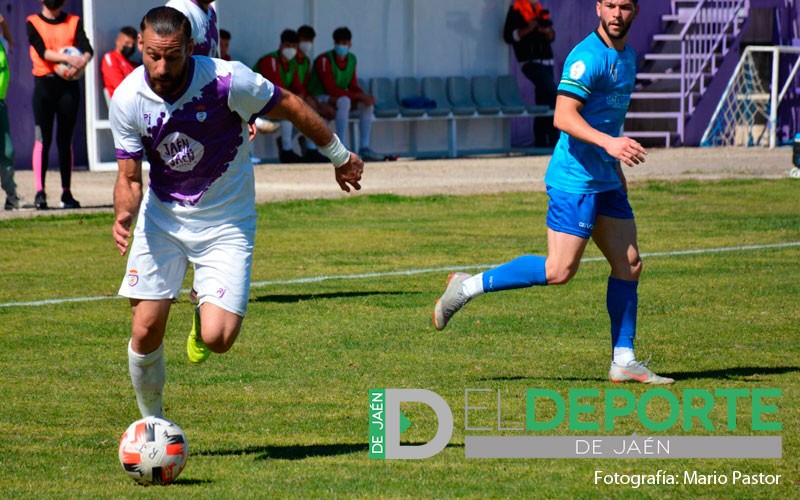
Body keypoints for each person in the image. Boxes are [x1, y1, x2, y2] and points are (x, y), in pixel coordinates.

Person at [110, 6, 364, 418]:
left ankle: (203, 311)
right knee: (145, 328)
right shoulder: (127, 99)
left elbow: (292, 105)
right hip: (164, 221)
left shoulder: (228, 80)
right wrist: (124, 213)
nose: (160, 66)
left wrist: (339, 155)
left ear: (191, 48)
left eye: (172, 56)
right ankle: (152, 425)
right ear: (140, 45)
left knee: (218, 338)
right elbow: (130, 176)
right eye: (152, 55)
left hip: (226, 223)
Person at [434, 0, 673, 385]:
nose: (616, 14)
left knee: (629, 264)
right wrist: (610, 146)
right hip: (574, 180)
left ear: (636, 10)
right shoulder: (586, 57)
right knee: (559, 271)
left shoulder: (627, 57)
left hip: (606, 179)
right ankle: (467, 285)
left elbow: (608, 119)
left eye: (624, 6)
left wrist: (613, 165)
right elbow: (563, 116)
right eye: (609, 5)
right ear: (598, 7)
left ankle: (624, 360)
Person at [27, 0, 93, 210]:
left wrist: (81, 61)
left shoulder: (74, 21)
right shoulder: (33, 22)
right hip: (44, 86)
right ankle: (40, 192)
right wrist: (68, 58)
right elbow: (43, 52)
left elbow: (87, 48)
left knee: (65, 141)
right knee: (42, 139)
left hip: (68, 87)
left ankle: (66, 193)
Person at [308, 27, 383, 161]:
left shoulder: (352, 59)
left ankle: (364, 147)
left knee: (366, 105)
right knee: (345, 101)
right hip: (320, 96)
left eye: (344, 43)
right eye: (338, 42)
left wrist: (365, 97)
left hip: (339, 96)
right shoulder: (324, 60)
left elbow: (353, 85)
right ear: (334, 43)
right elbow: (330, 88)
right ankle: (340, 147)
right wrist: (359, 96)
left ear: (350, 44)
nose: (340, 46)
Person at [254, 29, 328, 164]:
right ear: (281, 45)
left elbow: (298, 86)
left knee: (307, 109)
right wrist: (297, 99)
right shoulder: (270, 60)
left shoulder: (292, 63)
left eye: (294, 46)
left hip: (274, 102)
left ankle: (311, 150)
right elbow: (277, 87)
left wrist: (303, 98)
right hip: (258, 103)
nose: (291, 50)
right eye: (288, 46)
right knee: (288, 110)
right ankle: (286, 151)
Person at [503, 0, 558, 148]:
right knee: (553, 95)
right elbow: (508, 36)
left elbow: (552, 35)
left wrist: (547, 33)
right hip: (530, 61)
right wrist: (529, 28)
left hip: (547, 62)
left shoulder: (539, 9)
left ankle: (541, 141)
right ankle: (556, 139)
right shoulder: (515, 9)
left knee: (543, 99)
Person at [0, 13, 28, 210]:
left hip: (1, 104)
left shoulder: (1, 43)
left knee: (7, 151)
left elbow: (8, 37)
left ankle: (11, 195)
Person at [101, 26, 137, 99]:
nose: (130, 46)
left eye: (132, 44)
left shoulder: (132, 64)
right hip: (122, 103)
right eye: (127, 43)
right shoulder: (111, 58)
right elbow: (120, 86)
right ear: (117, 41)